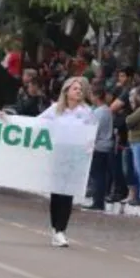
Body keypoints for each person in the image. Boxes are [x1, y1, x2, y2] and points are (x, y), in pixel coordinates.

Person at [37, 77, 95, 248]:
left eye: (80, 89)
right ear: (66, 91)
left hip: (76, 155)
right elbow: (36, 123)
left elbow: (92, 133)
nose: (78, 91)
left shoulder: (86, 112)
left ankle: (62, 229)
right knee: (57, 192)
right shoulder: (56, 109)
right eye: (74, 88)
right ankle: (55, 228)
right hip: (58, 154)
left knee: (68, 192)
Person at [89, 84, 114, 210]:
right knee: (102, 175)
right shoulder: (107, 110)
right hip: (106, 146)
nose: (91, 97)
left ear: (97, 96)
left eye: (92, 95)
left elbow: (94, 130)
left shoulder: (99, 112)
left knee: (97, 175)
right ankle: (99, 200)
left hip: (98, 146)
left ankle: (97, 201)